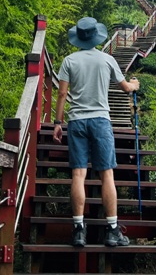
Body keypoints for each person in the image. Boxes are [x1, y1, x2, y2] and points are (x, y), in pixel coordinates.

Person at [53, 16, 140, 248]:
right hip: (101, 121)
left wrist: (58, 123)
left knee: (78, 175)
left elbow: (62, 95)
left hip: (77, 122)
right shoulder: (107, 59)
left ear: (78, 37)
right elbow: (125, 88)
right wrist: (135, 84)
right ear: (97, 36)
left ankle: (79, 230)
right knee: (107, 175)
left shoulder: (69, 61)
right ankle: (112, 230)